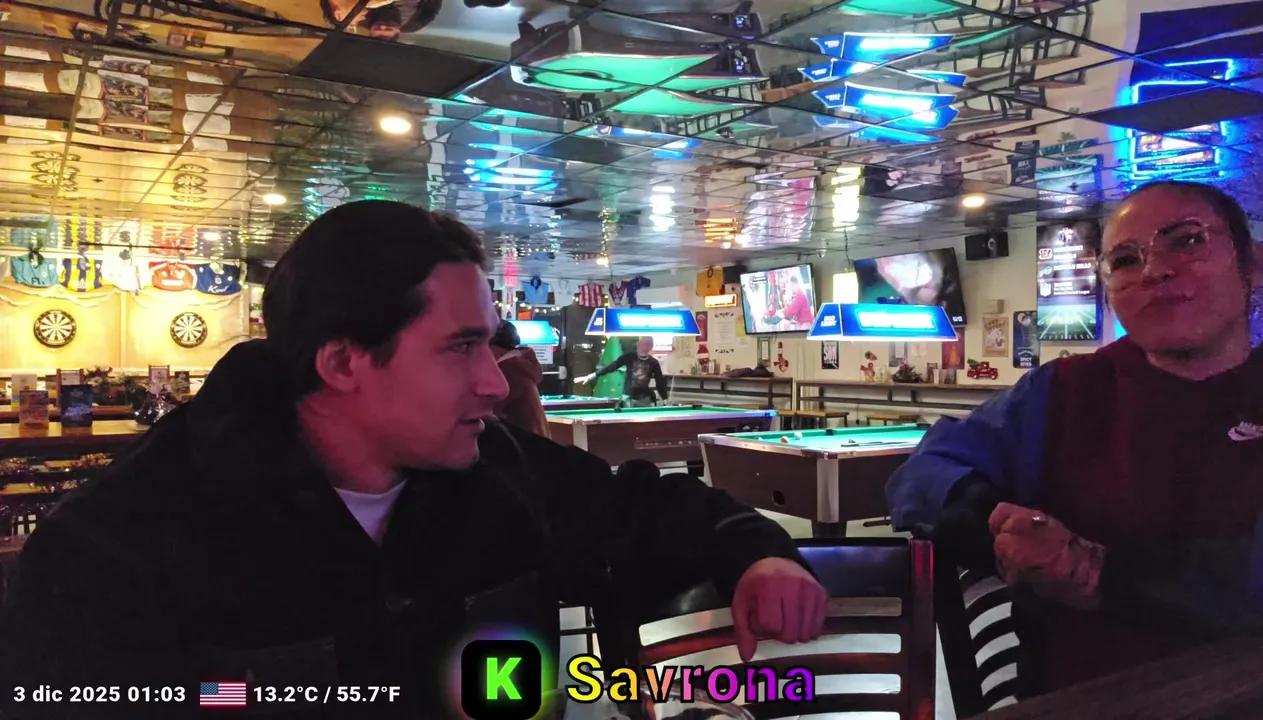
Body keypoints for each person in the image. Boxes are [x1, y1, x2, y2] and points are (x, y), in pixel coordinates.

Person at [0, 201, 826, 719]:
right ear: (343, 361)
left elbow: (651, 509)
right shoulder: (113, 550)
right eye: (460, 347)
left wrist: (758, 556)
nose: (494, 383)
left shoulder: (500, 474)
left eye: (491, 345)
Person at [887, 180, 1263, 696]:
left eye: (1187, 240)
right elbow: (922, 474)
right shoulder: (1061, 390)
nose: (1154, 271)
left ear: (1253, 263)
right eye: (1125, 260)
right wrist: (998, 524)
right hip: (1080, 698)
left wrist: (1099, 575)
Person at [490, 319, 551, 438]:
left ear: (494, 345)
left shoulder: (506, 373)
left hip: (519, 446)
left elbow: (486, 417)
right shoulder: (517, 368)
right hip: (533, 445)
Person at [575, 336, 670, 407]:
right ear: (637, 344)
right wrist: (591, 376)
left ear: (650, 347)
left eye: (646, 344)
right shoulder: (629, 357)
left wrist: (665, 399)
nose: (642, 346)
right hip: (627, 398)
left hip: (644, 400)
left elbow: (660, 381)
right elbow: (612, 366)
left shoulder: (653, 362)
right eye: (641, 343)